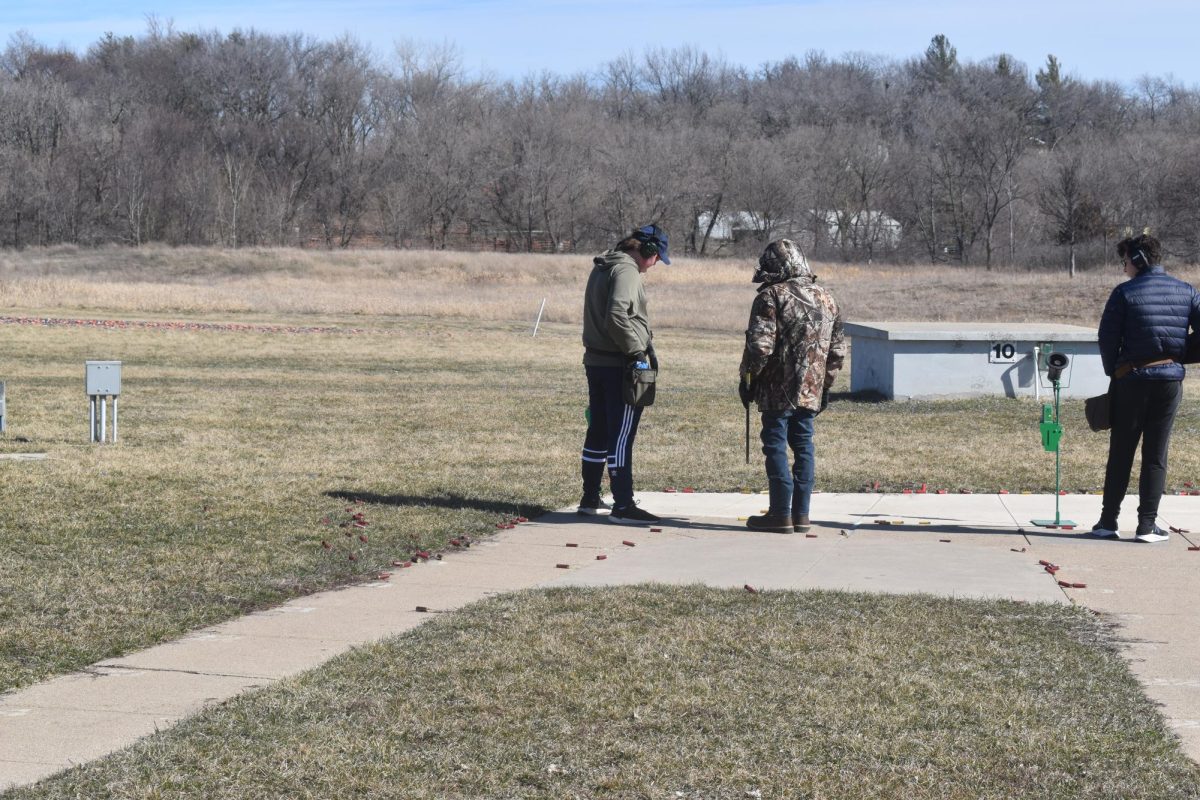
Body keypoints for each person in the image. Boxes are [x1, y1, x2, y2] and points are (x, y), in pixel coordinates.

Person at [1093, 233, 1200, 542]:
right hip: (1168, 382)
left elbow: (1107, 337)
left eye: (1125, 260)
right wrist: (1180, 355)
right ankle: (1146, 525)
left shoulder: (1124, 293)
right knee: (1156, 454)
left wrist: (1114, 370)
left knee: (1121, 452)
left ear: (1138, 259)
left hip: (1132, 380)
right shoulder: (1186, 291)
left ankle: (1107, 522)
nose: (1123, 266)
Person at [739, 239, 844, 534]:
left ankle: (780, 513)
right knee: (803, 446)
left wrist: (747, 379)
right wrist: (825, 387)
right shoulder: (828, 298)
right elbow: (837, 352)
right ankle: (801, 515)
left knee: (774, 443)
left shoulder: (772, 296)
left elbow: (760, 347)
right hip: (811, 389)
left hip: (777, 388)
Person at [578, 224, 669, 525]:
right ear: (647, 251)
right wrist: (635, 353)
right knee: (621, 435)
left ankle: (590, 498)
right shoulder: (627, 271)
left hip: (597, 361)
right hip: (620, 364)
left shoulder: (604, 266)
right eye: (657, 258)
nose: (654, 266)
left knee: (599, 431)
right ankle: (623, 505)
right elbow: (617, 315)